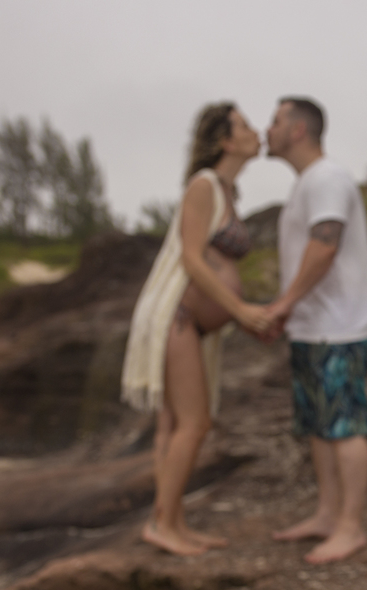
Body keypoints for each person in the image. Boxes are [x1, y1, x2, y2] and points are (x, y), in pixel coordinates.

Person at [121, 102, 277, 556]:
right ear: (226, 141)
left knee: (172, 426)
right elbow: (191, 258)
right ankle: (163, 525)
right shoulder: (204, 185)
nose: (256, 131)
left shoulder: (228, 191)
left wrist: (236, 314)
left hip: (195, 326)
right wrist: (239, 309)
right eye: (246, 126)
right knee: (195, 422)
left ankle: (171, 521)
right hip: (177, 317)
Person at [263, 97, 367, 564]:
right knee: (319, 424)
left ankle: (351, 527)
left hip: (341, 325)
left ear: (297, 130)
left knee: (345, 424)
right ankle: (328, 514)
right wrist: (292, 314)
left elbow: (324, 245)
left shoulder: (327, 178)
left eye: (274, 121)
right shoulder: (307, 183)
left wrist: (281, 305)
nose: (265, 130)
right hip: (314, 326)